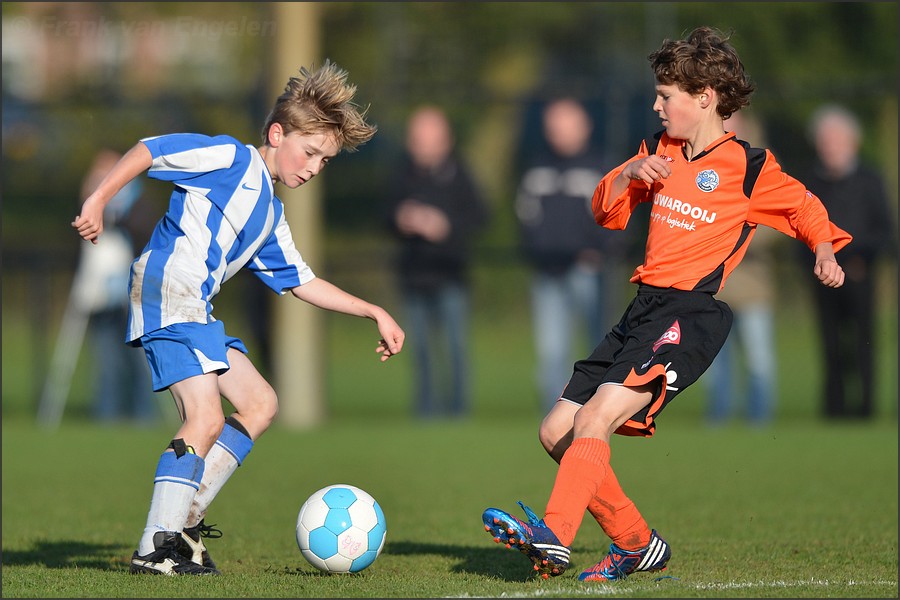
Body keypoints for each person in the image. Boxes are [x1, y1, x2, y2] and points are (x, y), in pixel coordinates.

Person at [481, 26, 850, 583]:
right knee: (557, 429)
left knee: (597, 415)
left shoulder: (749, 165)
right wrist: (628, 173)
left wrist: (823, 249)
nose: (656, 105)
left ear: (704, 98)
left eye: (665, 96)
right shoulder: (657, 150)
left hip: (691, 313)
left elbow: (804, 206)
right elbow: (606, 213)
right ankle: (636, 543)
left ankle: (554, 534)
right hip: (643, 310)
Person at [71, 60, 405, 576]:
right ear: (277, 133)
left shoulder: (271, 213)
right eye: (310, 151)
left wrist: (372, 310)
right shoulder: (229, 158)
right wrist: (98, 199)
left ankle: (182, 526)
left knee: (260, 403)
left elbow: (301, 281)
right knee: (204, 419)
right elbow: (150, 150)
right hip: (166, 291)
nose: (314, 167)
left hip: (193, 307)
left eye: (325, 160)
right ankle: (156, 547)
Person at [514, 97, 627, 412]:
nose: (559, 133)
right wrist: (535, 249)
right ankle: (555, 414)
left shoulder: (602, 166)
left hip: (587, 271)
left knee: (597, 344)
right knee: (551, 350)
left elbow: (620, 215)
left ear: (584, 126)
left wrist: (600, 250)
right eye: (554, 126)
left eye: (566, 125)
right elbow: (524, 215)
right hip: (547, 271)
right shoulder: (537, 167)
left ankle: (597, 409)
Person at [385, 105, 489, 419]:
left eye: (430, 139)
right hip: (413, 275)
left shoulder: (460, 173)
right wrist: (400, 218)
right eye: (418, 140)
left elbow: (480, 216)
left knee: (456, 348)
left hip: (451, 275)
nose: (423, 147)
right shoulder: (401, 173)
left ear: (445, 141)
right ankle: (425, 411)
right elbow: (382, 215)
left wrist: (445, 226)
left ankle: (458, 411)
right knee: (419, 351)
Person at [801, 104, 896, 420]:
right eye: (825, 141)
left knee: (863, 342)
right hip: (821, 277)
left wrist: (860, 259)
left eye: (837, 141)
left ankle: (865, 408)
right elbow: (797, 229)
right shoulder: (809, 182)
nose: (830, 147)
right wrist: (815, 264)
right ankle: (834, 409)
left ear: (852, 142)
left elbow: (884, 230)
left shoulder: (869, 180)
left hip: (859, 276)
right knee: (830, 345)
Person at [703, 112, 778, 426]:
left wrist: (730, 238)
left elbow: (776, 224)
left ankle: (760, 419)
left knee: (759, 359)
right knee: (714, 360)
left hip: (752, 285)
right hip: (712, 287)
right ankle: (718, 417)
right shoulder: (700, 165)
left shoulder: (763, 168)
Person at [77, 149, 160, 423]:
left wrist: (112, 212)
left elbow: (145, 239)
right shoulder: (91, 207)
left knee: (139, 360)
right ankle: (107, 416)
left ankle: (143, 416)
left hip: (137, 292)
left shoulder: (140, 206)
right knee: (106, 360)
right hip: (103, 293)